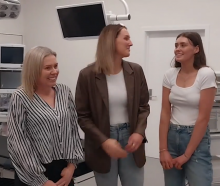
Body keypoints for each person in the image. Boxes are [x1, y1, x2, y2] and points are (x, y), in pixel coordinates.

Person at [75, 24, 150, 186]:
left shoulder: (135, 71)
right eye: (126, 38)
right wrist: (103, 140)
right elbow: (83, 116)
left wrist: (139, 132)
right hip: (102, 138)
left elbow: (143, 107)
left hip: (131, 136)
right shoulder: (87, 75)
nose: (131, 43)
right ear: (110, 41)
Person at [7, 46, 84, 186]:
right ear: (34, 70)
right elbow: (18, 142)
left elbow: (72, 131)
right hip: (33, 174)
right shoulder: (20, 97)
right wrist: (42, 181)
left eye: (56, 66)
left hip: (63, 172)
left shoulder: (64, 92)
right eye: (48, 68)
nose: (54, 71)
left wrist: (71, 167)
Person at [159, 32, 217, 186]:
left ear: (196, 49)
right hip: (172, 135)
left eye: (183, 45)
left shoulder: (206, 74)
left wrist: (186, 154)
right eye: (176, 45)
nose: (178, 48)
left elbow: (204, 118)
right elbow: (165, 113)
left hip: (196, 138)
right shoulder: (169, 74)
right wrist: (163, 150)